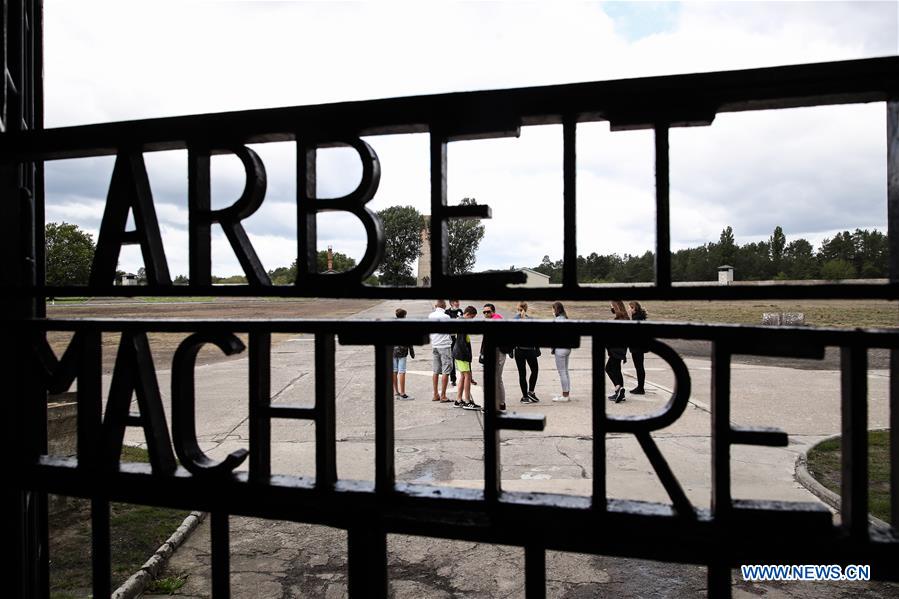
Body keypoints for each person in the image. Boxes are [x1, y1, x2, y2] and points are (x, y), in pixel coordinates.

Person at [479, 303, 511, 412]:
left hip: (498, 353)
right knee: (498, 379)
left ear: (493, 311)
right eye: (484, 312)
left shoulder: (496, 320)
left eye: (488, 311)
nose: (486, 314)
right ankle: (501, 404)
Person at [451, 306, 481, 410]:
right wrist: (467, 356)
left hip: (457, 353)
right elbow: (462, 342)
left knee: (463, 377)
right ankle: (467, 401)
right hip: (462, 354)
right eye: (471, 317)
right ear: (467, 314)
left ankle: (458, 400)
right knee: (467, 376)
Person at [513, 301, 541, 404]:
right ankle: (531, 391)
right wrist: (537, 349)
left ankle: (525, 397)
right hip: (530, 350)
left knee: (522, 374)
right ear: (526, 308)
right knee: (535, 370)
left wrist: (511, 351)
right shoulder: (531, 320)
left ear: (518, 308)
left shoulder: (514, 319)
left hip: (519, 350)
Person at [428, 299, 453, 403]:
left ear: (435, 306)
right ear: (444, 306)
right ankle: (443, 395)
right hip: (444, 345)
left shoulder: (430, 316)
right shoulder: (446, 317)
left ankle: (435, 394)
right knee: (446, 371)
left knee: (436, 371)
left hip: (435, 345)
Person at [606, 300, 630, 403]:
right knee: (617, 370)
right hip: (621, 350)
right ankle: (620, 393)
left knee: (608, 368)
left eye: (612, 306)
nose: (611, 308)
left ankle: (618, 387)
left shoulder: (619, 320)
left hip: (616, 350)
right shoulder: (626, 319)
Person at [550, 301, 572, 402]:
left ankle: (564, 395)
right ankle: (566, 393)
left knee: (562, 372)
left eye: (553, 309)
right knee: (565, 371)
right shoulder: (566, 319)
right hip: (567, 348)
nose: (552, 311)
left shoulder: (557, 320)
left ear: (556, 310)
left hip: (560, 349)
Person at [393, 308, 415, 400]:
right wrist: (412, 352)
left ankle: (396, 392)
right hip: (402, 351)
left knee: (394, 371)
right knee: (402, 371)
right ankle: (403, 393)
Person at [628, 301, 648, 395]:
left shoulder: (637, 319)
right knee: (639, 367)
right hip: (639, 346)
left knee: (639, 367)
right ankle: (640, 387)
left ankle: (640, 388)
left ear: (636, 309)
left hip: (637, 347)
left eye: (631, 308)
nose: (629, 309)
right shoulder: (639, 317)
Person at [444, 299, 463, 387]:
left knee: (461, 358)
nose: (458, 303)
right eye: (456, 301)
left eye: (458, 301)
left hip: (459, 337)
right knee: (452, 358)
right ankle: (453, 379)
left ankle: (465, 376)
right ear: (451, 303)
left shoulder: (460, 311)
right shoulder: (446, 312)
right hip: (450, 338)